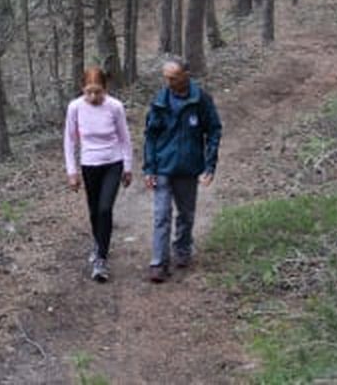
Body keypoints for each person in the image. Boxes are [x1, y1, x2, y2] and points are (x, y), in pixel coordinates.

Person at [143, 57, 222, 283]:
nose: (169, 82)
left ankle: (183, 248)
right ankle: (158, 262)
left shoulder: (201, 100)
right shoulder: (159, 101)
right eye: (166, 78)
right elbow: (150, 136)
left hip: (188, 167)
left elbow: (214, 131)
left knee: (186, 214)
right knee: (161, 215)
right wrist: (149, 168)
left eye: (173, 77)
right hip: (162, 166)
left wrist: (210, 165)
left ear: (186, 74)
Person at [64, 67, 133, 282]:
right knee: (94, 211)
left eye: (98, 92)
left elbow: (124, 137)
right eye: (89, 92)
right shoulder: (75, 107)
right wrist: (72, 171)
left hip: (113, 162)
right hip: (89, 164)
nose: (94, 97)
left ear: (106, 88)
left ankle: (101, 259)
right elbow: (69, 140)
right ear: (82, 89)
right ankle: (98, 242)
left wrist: (128, 167)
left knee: (105, 209)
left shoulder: (115, 107)